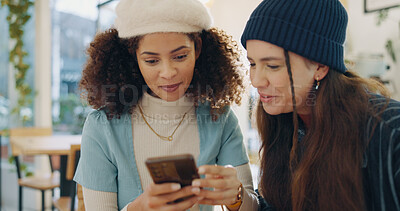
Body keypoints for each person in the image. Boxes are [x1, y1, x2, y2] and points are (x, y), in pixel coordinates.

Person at [73, 0, 259, 210]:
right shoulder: (102, 127)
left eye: (180, 56)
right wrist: (140, 208)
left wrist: (237, 196)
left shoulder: (220, 117)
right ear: (134, 57)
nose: (168, 72)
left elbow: (252, 206)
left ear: (197, 48)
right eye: (152, 61)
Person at [240, 0, 400, 210]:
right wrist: (236, 197)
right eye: (252, 64)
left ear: (321, 67)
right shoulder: (285, 123)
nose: (256, 80)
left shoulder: (389, 130)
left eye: (272, 65)